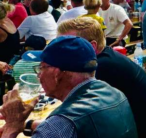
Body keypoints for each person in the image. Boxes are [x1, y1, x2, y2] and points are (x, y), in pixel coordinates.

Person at [57, 18, 146, 138]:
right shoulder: (107, 57)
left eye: (68, 45)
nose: (58, 50)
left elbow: (80, 114)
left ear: (92, 46)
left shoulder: (103, 67)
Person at [0, 36, 138, 138]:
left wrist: (12, 127)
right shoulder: (114, 93)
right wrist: (27, 124)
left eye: (41, 68)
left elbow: (59, 127)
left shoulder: (59, 124)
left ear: (57, 74)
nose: (38, 76)